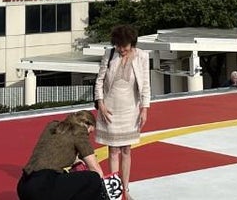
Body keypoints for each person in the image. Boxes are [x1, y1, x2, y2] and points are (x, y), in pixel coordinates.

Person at [95, 24, 151, 200]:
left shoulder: (142, 56)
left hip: (130, 109)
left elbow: (146, 86)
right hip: (109, 109)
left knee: (126, 150)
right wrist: (101, 104)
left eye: (124, 46)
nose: (121, 49)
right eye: (118, 45)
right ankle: (116, 192)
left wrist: (144, 109)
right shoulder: (109, 54)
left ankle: (126, 189)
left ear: (132, 43)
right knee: (113, 151)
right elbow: (99, 81)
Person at [17, 110, 108, 200]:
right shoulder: (80, 132)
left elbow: (59, 151)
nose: (87, 136)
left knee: (66, 177)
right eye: (89, 132)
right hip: (42, 188)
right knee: (93, 179)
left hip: (24, 186)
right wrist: (106, 188)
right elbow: (95, 168)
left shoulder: (53, 126)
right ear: (86, 124)